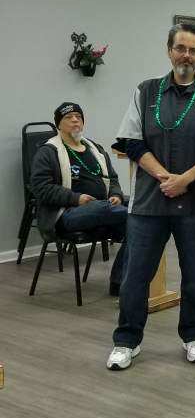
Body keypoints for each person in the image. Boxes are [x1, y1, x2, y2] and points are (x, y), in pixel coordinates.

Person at [106, 22, 195, 371]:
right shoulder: (145, 91)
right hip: (150, 202)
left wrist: (185, 179)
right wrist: (164, 177)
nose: (186, 55)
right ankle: (126, 341)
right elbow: (131, 141)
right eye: (180, 48)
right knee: (135, 275)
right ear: (169, 50)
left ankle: (194, 336)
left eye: (193, 50)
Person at [31, 102, 127, 293]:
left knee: (140, 216)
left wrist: (116, 194)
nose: (75, 120)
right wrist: (76, 198)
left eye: (78, 116)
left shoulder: (95, 149)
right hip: (66, 214)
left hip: (104, 208)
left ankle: (119, 281)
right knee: (127, 213)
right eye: (68, 117)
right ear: (58, 124)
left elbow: (112, 178)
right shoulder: (48, 152)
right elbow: (40, 188)